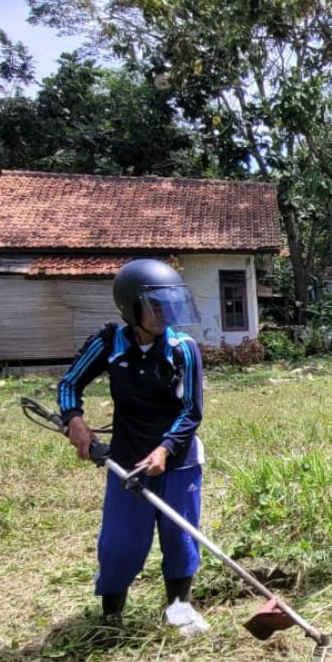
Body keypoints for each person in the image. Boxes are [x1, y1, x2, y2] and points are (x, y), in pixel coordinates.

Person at [58, 258, 209, 635]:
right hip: (127, 461)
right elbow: (68, 384)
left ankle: (179, 607)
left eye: (167, 305)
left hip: (179, 460)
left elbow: (192, 409)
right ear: (130, 307)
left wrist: (165, 449)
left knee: (180, 537)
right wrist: (73, 419)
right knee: (120, 543)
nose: (162, 315)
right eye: (153, 306)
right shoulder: (110, 344)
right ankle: (111, 618)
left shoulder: (183, 348)